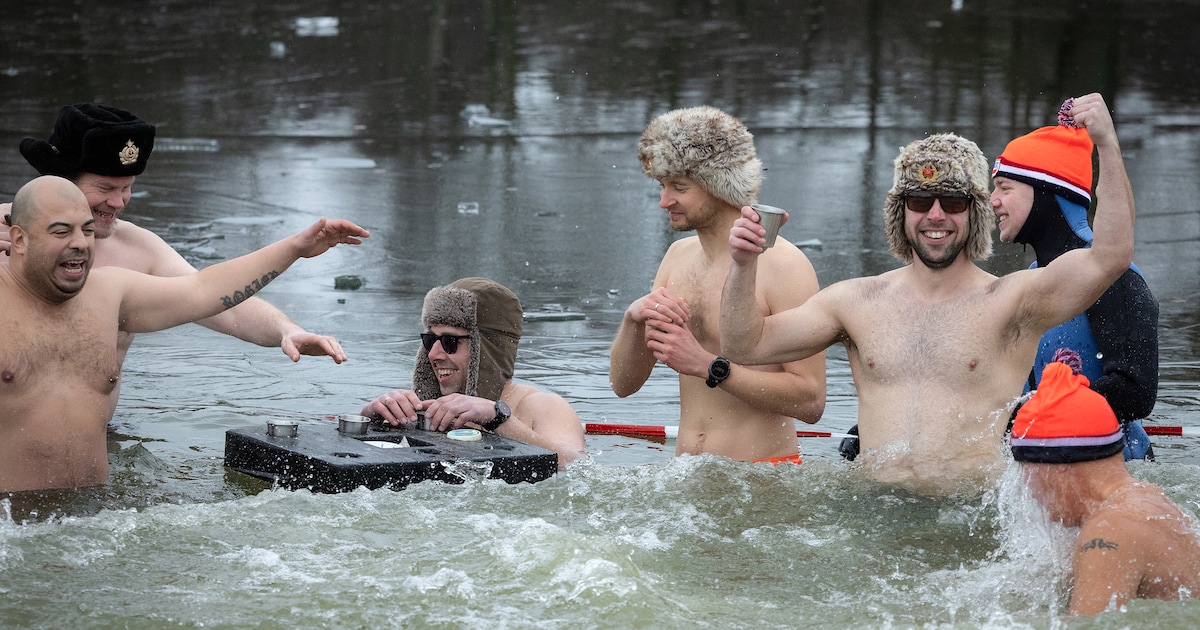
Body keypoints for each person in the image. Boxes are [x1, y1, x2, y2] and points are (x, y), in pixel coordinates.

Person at [720, 93, 1135, 496]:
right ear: (902, 213)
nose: (935, 216)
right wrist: (743, 265)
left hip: (968, 519)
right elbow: (745, 343)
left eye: (952, 202)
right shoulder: (854, 301)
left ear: (975, 214)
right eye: (920, 200)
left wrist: (1107, 146)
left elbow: (1110, 256)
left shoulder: (1013, 301)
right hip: (873, 514)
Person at [0, 175, 369, 493]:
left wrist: (294, 249)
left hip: (98, 517)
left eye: (87, 230)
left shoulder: (109, 292)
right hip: (15, 523)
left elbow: (202, 290)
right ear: (18, 240)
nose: (80, 242)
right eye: (61, 232)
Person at [1, 104, 351, 419]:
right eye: (105, 188)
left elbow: (212, 299)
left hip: (98, 448)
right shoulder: (5, 235)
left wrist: (286, 330)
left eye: (127, 188)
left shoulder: (137, 251)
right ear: (59, 181)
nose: (119, 202)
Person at [607, 105, 825, 464]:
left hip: (762, 480)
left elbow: (811, 400)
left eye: (679, 187)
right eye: (662, 186)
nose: (664, 201)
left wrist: (708, 366)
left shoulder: (784, 264)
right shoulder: (677, 256)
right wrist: (633, 320)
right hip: (687, 476)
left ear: (719, 185)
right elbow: (623, 385)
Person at [993, 98, 1158, 460]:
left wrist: (1033, 415)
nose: (993, 201)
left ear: (1046, 193)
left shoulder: (1117, 277)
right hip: (1045, 470)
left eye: (1005, 188)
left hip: (1118, 473)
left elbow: (1135, 391)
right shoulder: (1027, 281)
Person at [1011, 357, 1200, 615]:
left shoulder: (1109, 533)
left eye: (1027, 471)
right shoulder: (1145, 498)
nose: (1026, 487)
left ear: (1058, 466)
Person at [360, 277, 586, 469]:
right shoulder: (424, 409)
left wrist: (497, 418)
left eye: (450, 341)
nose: (434, 355)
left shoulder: (542, 406)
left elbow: (576, 465)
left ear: (487, 350)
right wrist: (372, 416)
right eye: (430, 340)